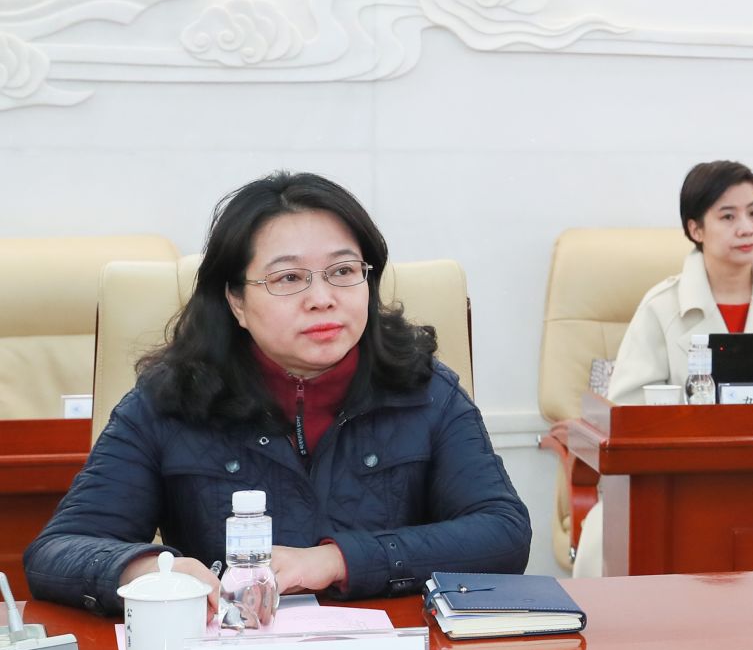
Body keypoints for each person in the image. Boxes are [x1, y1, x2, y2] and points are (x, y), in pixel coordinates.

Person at [26, 172, 530, 616]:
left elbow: (503, 532)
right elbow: (57, 551)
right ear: (236, 302)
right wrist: (150, 569)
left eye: (343, 272)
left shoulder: (425, 389)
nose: (322, 299)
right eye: (288, 278)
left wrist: (336, 560)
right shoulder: (170, 400)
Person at [605, 159, 753, 403]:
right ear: (696, 230)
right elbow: (627, 406)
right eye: (728, 217)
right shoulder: (660, 307)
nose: (747, 229)